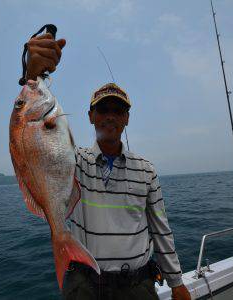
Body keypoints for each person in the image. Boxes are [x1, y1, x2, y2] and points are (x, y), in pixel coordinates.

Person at [24, 32, 191, 300]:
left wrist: (177, 282)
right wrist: (32, 76)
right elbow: (37, 150)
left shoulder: (147, 170)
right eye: (102, 109)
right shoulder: (72, 161)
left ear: (127, 118)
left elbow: (161, 229)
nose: (110, 116)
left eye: (118, 110)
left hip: (137, 285)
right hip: (84, 285)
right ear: (91, 117)